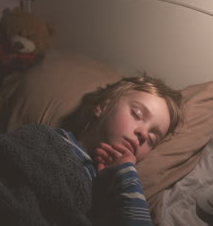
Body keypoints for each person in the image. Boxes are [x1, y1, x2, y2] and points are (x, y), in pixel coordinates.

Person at [58, 74, 182, 225]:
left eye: (151, 139)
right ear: (104, 106)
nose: (143, 134)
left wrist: (126, 174)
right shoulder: (50, 139)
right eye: (137, 114)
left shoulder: (118, 197)